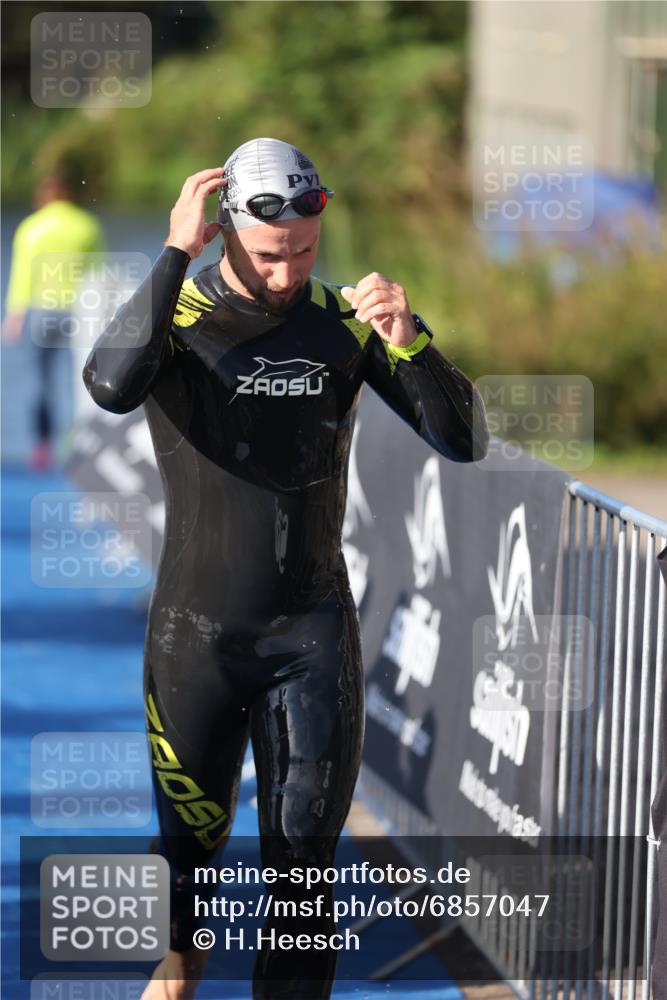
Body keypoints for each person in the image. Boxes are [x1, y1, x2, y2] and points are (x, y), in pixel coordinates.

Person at [82, 137, 489, 1000]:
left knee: (303, 877)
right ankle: (180, 959)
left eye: (304, 251)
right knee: (188, 861)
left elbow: (462, 442)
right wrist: (170, 253)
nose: (287, 271)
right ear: (225, 229)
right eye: (270, 254)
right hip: (197, 635)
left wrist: (410, 342)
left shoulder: (343, 323)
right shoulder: (179, 320)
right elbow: (111, 385)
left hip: (310, 634)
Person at [3, 174, 105, 469]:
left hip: (42, 313)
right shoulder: (87, 225)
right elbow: (99, 271)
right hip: (79, 311)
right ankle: (81, 440)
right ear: (67, 195)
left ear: (43, 197)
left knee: (40, 380)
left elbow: (23, 274)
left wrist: (13, 315)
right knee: (81, 378)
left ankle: (42, 446)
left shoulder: (31, 228)